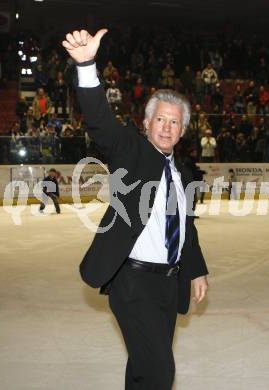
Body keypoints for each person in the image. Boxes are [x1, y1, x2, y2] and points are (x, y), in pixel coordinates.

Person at [62, 28, 208, 390]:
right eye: (160, 118)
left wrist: (196, 271)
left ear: (183, 130)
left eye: (175, 121)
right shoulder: (133, 151)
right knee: (160, 371)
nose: (167, 126)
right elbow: (101, 123)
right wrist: (86, 66)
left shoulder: (182, 172)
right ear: (146, 123)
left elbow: (185, 228)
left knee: (143, 368)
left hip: (168, 283)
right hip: (132, 283)